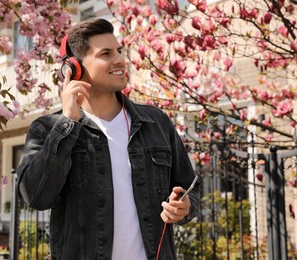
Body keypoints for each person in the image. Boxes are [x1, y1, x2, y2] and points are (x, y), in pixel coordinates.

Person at [17, 18, 200, 260]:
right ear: (75, 67)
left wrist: (185, 207)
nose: (120, 60)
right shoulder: (48, 129)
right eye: (106, 53)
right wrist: (68, 122)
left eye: (119, 51)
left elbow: (191, 188)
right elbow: (36, 197)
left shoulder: (156, 122)